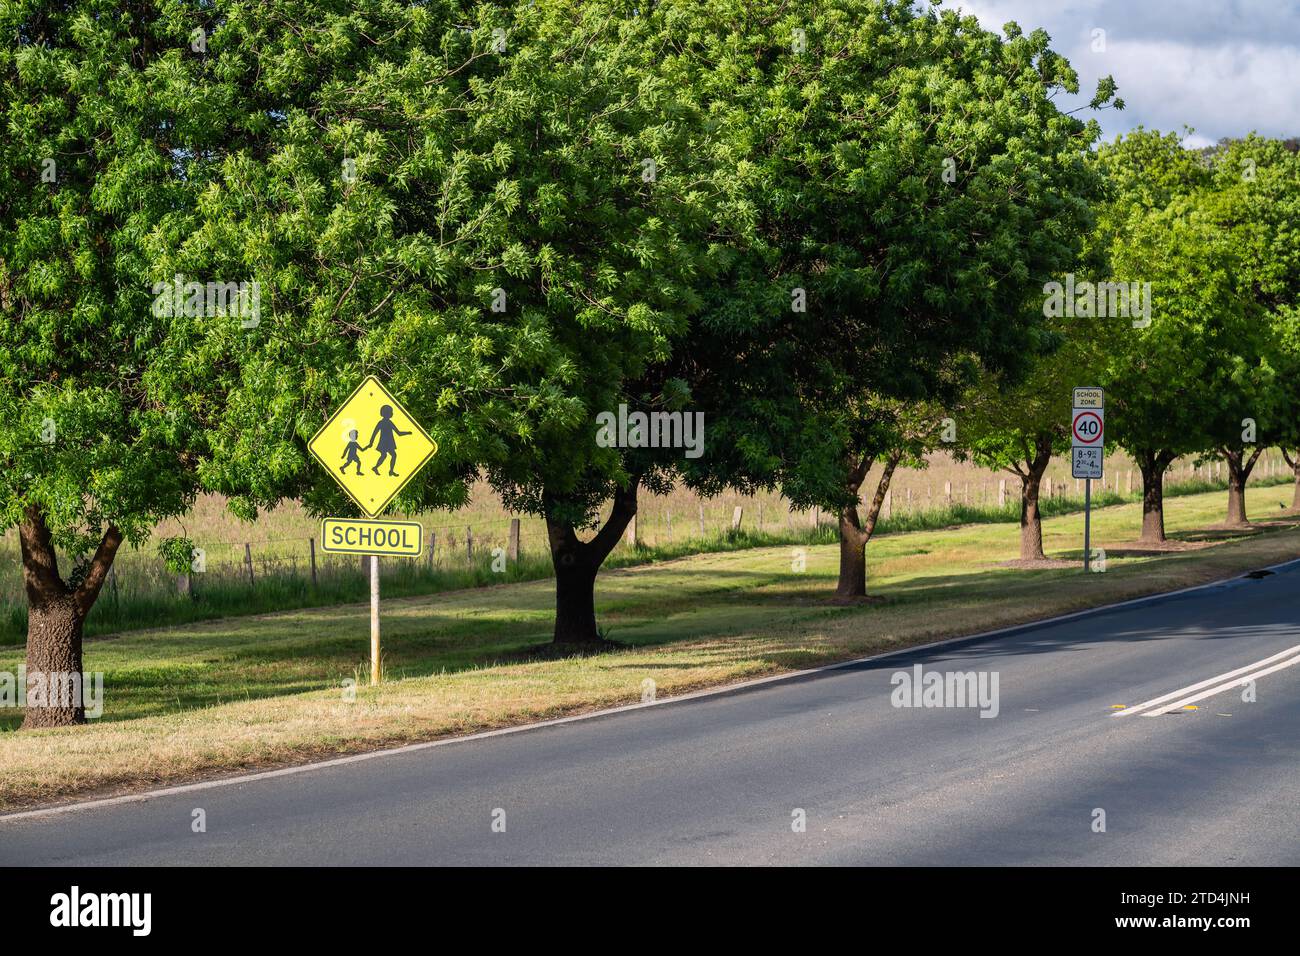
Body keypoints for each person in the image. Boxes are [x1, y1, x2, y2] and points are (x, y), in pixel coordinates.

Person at [367, 405, 411, 477]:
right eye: (390, 412)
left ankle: (390, 471)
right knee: (385, 455)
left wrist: (408, 433)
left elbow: (398, 433)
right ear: (386, 413)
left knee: (393, 455)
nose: (391, 413)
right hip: (384, 443)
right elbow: (374, 433)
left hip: (389, 443)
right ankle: (376, 468)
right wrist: (371, 443)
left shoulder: (390, 422)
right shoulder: (381, 423)